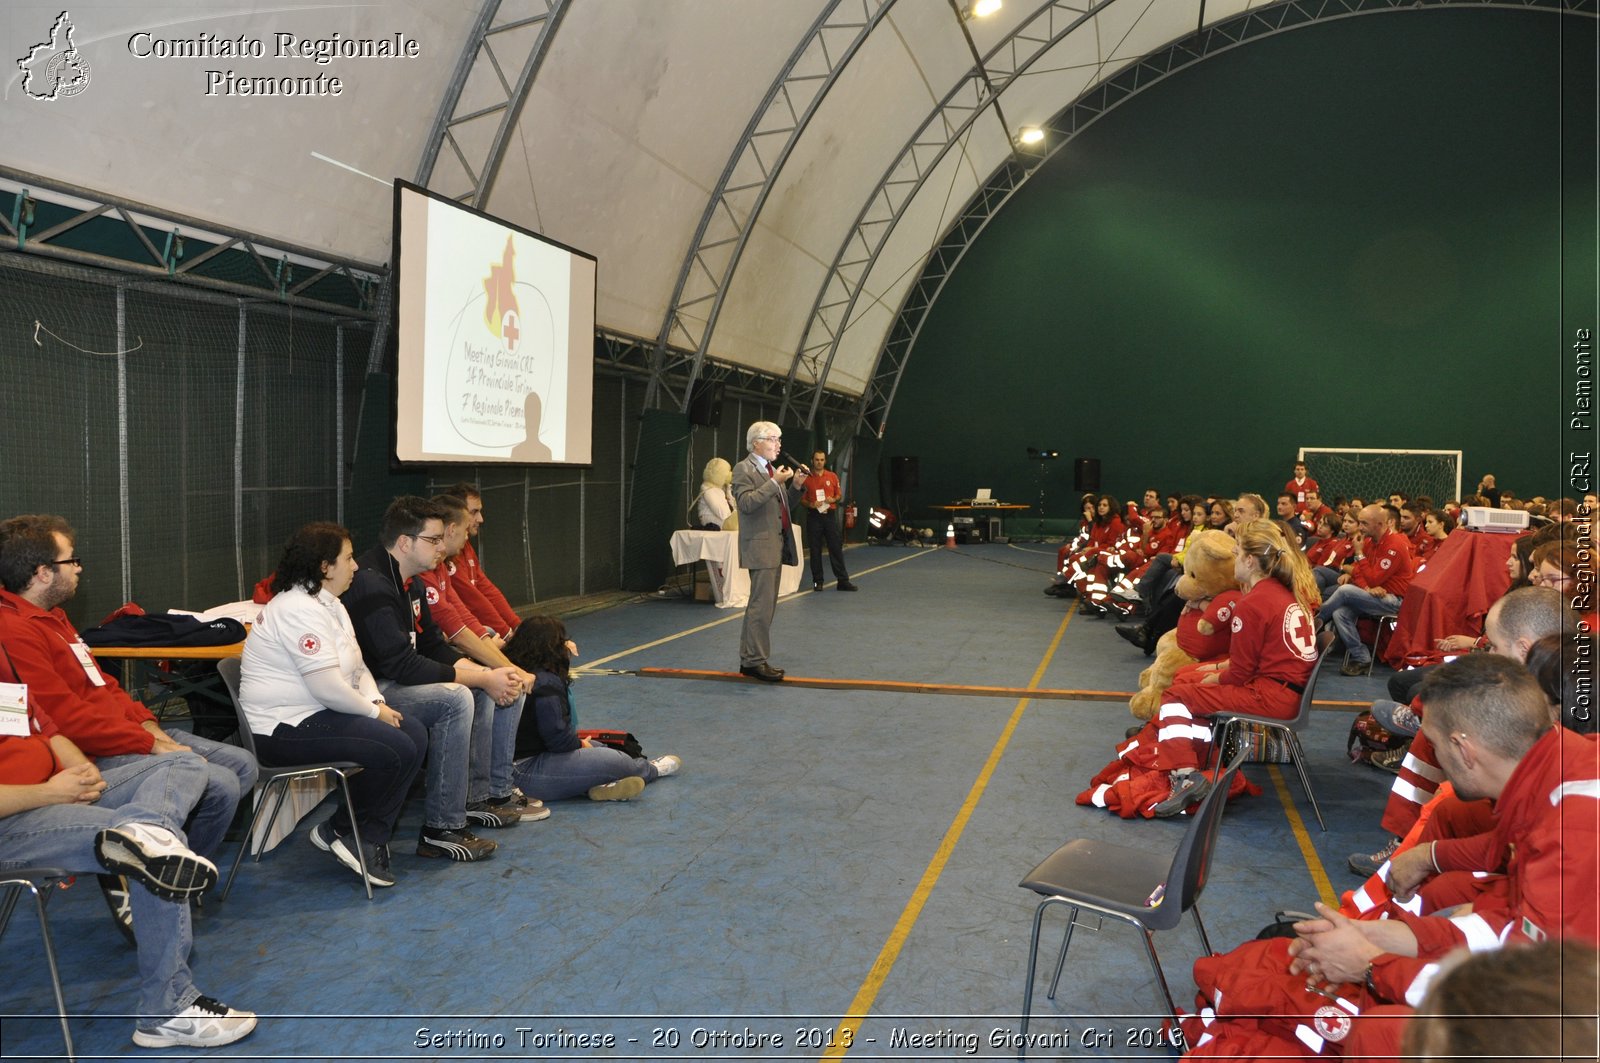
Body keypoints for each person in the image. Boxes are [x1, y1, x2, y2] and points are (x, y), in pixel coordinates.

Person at [0, 514, 258, 935]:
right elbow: (65, 718)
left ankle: (166, 882)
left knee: (241, 766)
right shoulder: (14, 631)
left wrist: (149, 727)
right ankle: (153, 885)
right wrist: (147, 743)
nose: (79, 567)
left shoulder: (56, 618)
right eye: (72, 560)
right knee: (218, 780)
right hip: (96, 753)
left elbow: (103, 686)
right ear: (43, 573)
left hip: (123, 736)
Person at [0, 663, 256, 1048]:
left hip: (57, 788)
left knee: (182, 767)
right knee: (146, 850)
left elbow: (48, 729)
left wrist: (81, 774)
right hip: (16, 818)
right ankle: (166, 1010)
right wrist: (50, 793)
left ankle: (149, 832)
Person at [1079, 520, 1320, 818]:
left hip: (1271, 696)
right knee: (1185, 678)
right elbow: (1257, 660)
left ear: (1249, 560)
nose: (1232, 553)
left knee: (1177, 695)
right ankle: (1197, 756)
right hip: (1285, 690)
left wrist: (1213, 675)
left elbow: (1241, 674)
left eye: (1238, 550)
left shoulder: (1252, 603)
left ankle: (1184, 772)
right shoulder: (1283, 592)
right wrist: (1213, 670)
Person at [239, 523, 428, 888]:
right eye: (348, 558)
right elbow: (326, 687)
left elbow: (358, 670)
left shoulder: (331, 605)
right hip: (280, 729)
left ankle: (342, 830)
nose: (356, 566)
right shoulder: (297, 609)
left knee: (414, 732)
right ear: (324, 567)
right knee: (396, 745)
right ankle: (362, 838)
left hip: (316, 714)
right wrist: (375, 713)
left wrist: (375, 700)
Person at [342, 496, 529, 862]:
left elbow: (431, 646)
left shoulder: (408, 583)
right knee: (457, 698)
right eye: (434, 539)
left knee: (493, 686)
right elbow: (401, 666)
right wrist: (475, 679)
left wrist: (488, 675)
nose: (443, 547)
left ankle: (480, 797)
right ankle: (441, 828)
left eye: (443, 538)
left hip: (393, 683)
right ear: (405, 543)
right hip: (368, 693)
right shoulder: (372, 583)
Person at [504, 615, 681, 801]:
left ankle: (597, 787)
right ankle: (649, 770)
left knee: (599, 748)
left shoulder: (513, 668)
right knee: (615, 761)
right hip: (525, 771)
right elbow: (558, 740)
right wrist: (581, 744)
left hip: (521, 763)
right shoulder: (545, 682)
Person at [731, 422, 807, 682]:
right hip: (760, 546)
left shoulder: (771, 470)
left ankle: (750, 658)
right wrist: (775, 483)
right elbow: (746, 503)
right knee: (760, 607)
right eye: (773, 439)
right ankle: (753, 661)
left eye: (779, 439)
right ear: (756, 443)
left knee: (764, 606)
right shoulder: (744, 469)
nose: (778, 444)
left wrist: (795, 486)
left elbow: (783, 508)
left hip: (774, 546)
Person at [1318, 503, 1414, 675]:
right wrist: (1366, 587)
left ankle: (1315, 622)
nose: (1360, 527)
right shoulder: (1370, 542)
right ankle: (1362, 658)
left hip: (1395, 600)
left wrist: (1359, 553)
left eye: (1364, 523)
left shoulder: (1394, 546)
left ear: (1379, 524)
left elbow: (1373, 577)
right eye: (1360, 522)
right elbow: (1358, 571)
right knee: (1340, 614)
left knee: (1344, 590)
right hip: (1375, 595)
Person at [440, 482, 521, 638]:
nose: (481, 519)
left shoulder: (466, 547)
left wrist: (517, 627)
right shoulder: (448, 556)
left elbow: (487, 590)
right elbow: (473, 601)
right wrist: (507, 635)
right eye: (474, 512)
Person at [801, 449, 856, 592]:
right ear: (812, 461)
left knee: (835, 548)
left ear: (825, 461)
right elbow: (802, 500)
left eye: (822, 460)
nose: (819, 462)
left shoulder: (832, 476)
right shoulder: (806, 478)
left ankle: (843, 581)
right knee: (815, 550)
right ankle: (817, 582)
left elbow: (838, 495)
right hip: (814, 517)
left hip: (829, 517)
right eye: (817, 459)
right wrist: (811, 504)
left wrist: (833, 499)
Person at [693, 457, 735, 530]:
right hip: (712, 520)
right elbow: (722, 513)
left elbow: (733, 506)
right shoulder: (708, 490)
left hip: (722, 519)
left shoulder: (720, 489)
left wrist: (728, 492)